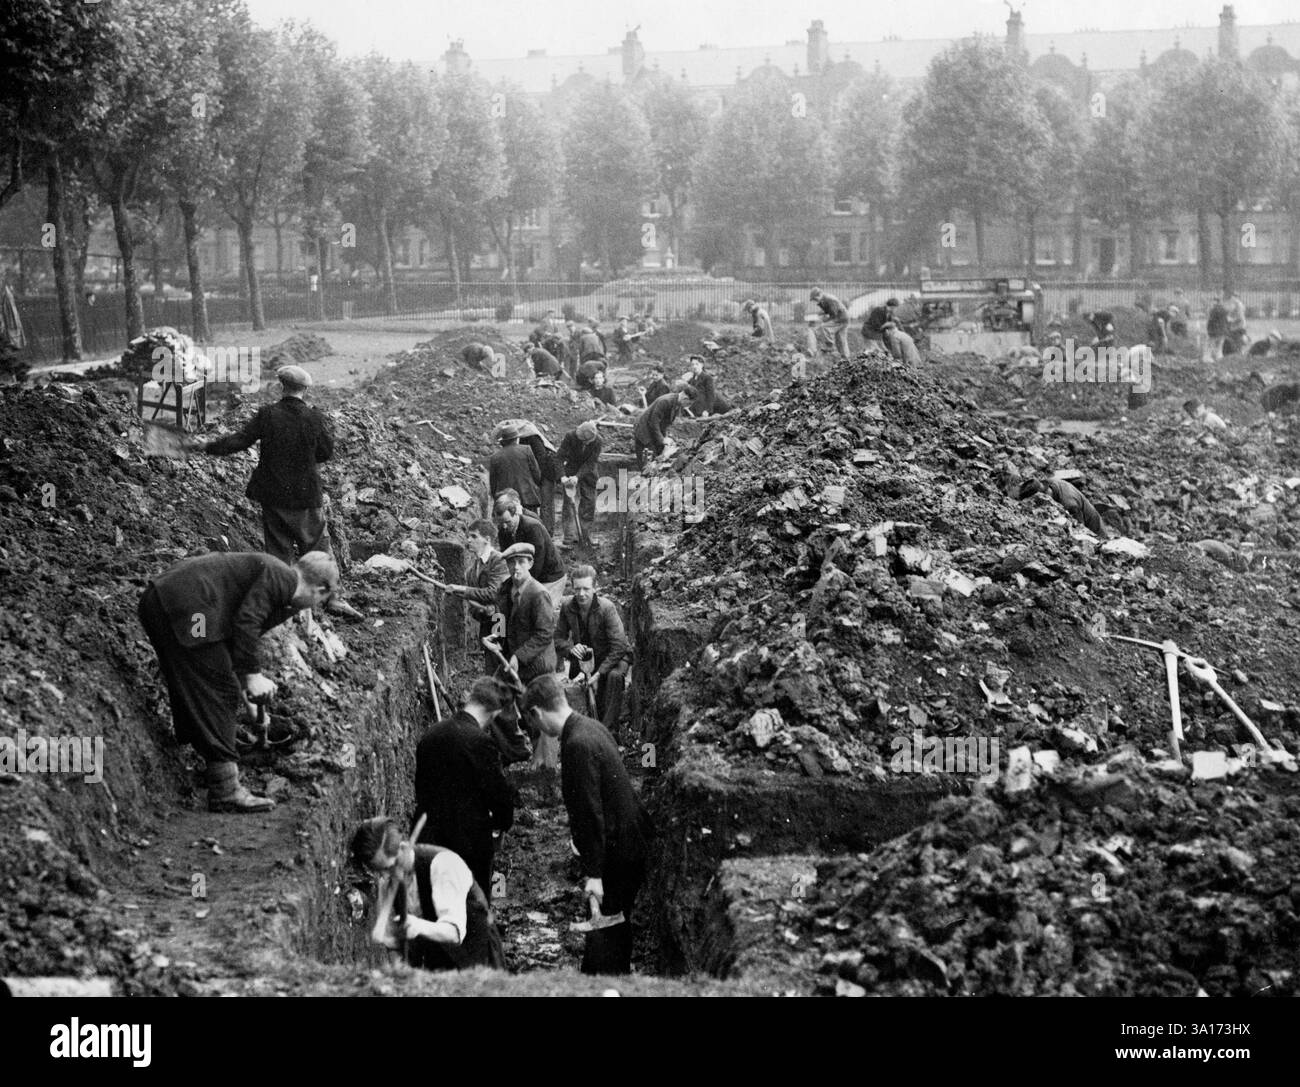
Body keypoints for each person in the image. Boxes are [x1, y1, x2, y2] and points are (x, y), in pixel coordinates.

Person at [138, 550, 339, 812]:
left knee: (199, 678)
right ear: (321, 589)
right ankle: (225, 789)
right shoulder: (282, 579)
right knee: (218, 688)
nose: (315, 606)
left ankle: (203, 761)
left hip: (167, 601)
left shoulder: (278, 581)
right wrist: (253, 677)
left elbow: (233, 641)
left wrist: (247, 692)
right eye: (322, 600)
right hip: (189, 608)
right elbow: (247, 623)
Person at [523, 674, 653, 975]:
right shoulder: (590, 727)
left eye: (533, 722)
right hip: (629, 841)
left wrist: (594, 874)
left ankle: (603, 983)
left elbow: (589, 813)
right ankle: (616, 977)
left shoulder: (577, 744)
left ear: (537, 713)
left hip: (619, 852)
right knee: (614, 927)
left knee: (606, 934)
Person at [197, 366, 343, 575]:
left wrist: (208, 446)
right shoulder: (314, 418)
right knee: (317, 551)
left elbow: (240, 440)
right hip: (306, 496)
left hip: (273, 494)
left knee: (278, 554)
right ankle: (329, 596)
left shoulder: (267, 414)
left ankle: (280, 595)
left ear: (281, 386)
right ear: (305, 390)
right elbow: (326, 453)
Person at [350, 817, 506, 971]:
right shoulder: (388, 879)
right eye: (379, 871)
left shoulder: (444, 865)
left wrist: (417, 925)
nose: (385, 876)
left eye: (389, 868)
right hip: (439, 967)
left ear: (403, 848)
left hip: (477, 961)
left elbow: (454, 933)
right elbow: (396, 945)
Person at [413, 676, 516, 898]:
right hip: (468, 844)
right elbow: (500, 798)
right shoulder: (480, 742)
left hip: (429, 840)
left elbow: (421, 789)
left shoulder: (431, 734)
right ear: (494, 712)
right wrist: (500, 825)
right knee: (473, 909)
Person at [555, 566, 632, 737]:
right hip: (588, 660)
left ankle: (607, 732)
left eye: (586, 589)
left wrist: (599, 674)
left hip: (614, 657)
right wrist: (571, 649)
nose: (581, 594)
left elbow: (619, 645)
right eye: (577, 589)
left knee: (614, 677)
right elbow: (557, 639)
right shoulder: (568, 607)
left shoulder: (606, 608)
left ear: (595, 588)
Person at [443, 520, 509, 673]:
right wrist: (480, 611)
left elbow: (494, 593)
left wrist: (462, 589)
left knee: (500, 660)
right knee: (490, 663)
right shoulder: (473, 569)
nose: (468, 540)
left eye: (474, 536)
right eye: (468, 536)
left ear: (487, 539)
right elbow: (473, 604)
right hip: (488, 621)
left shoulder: (498, 560)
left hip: (501, 618)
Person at [493, 494, 566, 605]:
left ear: (516, 514)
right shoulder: (503, 531)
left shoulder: (532, 527)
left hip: (550, 577)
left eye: (507, 522)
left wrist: (523, 586)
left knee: (542, 612)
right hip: (529, 574)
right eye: (501, 523)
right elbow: (508, 560)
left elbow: (537, 562)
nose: (504, 527)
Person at [558, 421, 603, 542]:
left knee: (589, 502)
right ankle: (569, 536)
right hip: (570, 471)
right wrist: (563, 476)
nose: (585, 444)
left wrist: (577, 477)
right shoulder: (570, 436)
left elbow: (590, 463)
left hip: (589, 473)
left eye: (588, 442)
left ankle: (586, 535)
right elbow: (559, 457)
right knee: (568, 504)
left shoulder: (598, 441)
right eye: (583, 441)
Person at [633, 387, 695, 468]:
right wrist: (662, 440)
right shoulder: (665, 401)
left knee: (657, 460)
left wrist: (667, 437)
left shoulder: (676, 403)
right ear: (685, 398)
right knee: (646, 464)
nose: (688, 407)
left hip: (653, 432)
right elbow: (653, 422)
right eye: (689, 404)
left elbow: (665, 423)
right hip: (644, 432)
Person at [488, 425, 542, 516]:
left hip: (506, 500)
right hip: (528, 498)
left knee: (510, 526)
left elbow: (493, 483)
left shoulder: (495, 457)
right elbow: (536, 474)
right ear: (516, 439)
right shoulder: (526, 450)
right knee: (530, 524)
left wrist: (497, 498)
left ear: (503, 441)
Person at [809, 287, 850, 362]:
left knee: (824, 327)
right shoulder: (822, 301)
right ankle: (845, 358)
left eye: (815, 299)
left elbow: (834, 314)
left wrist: (825, 320)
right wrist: (822, 314)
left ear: (820, 294)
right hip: (841, 318)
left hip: (841, 318)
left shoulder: (830, 299)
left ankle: (829, 345)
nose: (815, 301)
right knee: (840, 339)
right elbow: (827, 312)